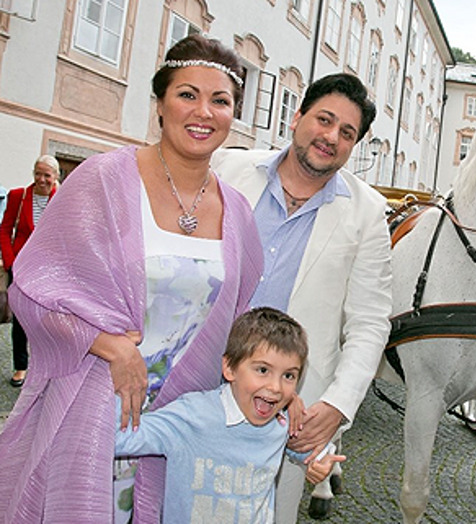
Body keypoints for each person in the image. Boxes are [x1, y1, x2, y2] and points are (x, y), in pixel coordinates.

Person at [0, 34, 263, 523]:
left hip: (176, 425)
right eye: (187, 94)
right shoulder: (102, 180)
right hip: (92, 409)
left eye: (220, 100)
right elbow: (32, 289)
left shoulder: (239, 214)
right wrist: (109, 345)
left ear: (233, 115)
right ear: (160, 103)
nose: (203, 111)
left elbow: (237, 324)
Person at [211, 72, 392, 522]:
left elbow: (370, 323)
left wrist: (338, 404)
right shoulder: (226, 170)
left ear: (354, 146)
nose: (331, 136)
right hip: (200, 385)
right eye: (324, 120)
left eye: (346, 132)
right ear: (297, 117)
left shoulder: (368, 214)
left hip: (291, 413)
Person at [114, 307, 346, 523]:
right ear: (230, 368)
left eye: (288, 376)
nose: (276, 387)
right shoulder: (192, 416)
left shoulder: (281, 422)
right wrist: (111, 370)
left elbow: (307, 447)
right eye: (263, 370)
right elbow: (120, 440)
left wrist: (320, 461)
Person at [0, 154, 59, 387]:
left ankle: (45, 366)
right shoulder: (18, 195)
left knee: (46, 319)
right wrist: (10, 261)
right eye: (38, 173)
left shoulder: (61, 199)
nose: (41, 179)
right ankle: (21, 367)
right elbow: (4, 230)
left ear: (56, 177)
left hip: (47, 269)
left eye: (47, 175)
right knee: (21, 319)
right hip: (20, 266)